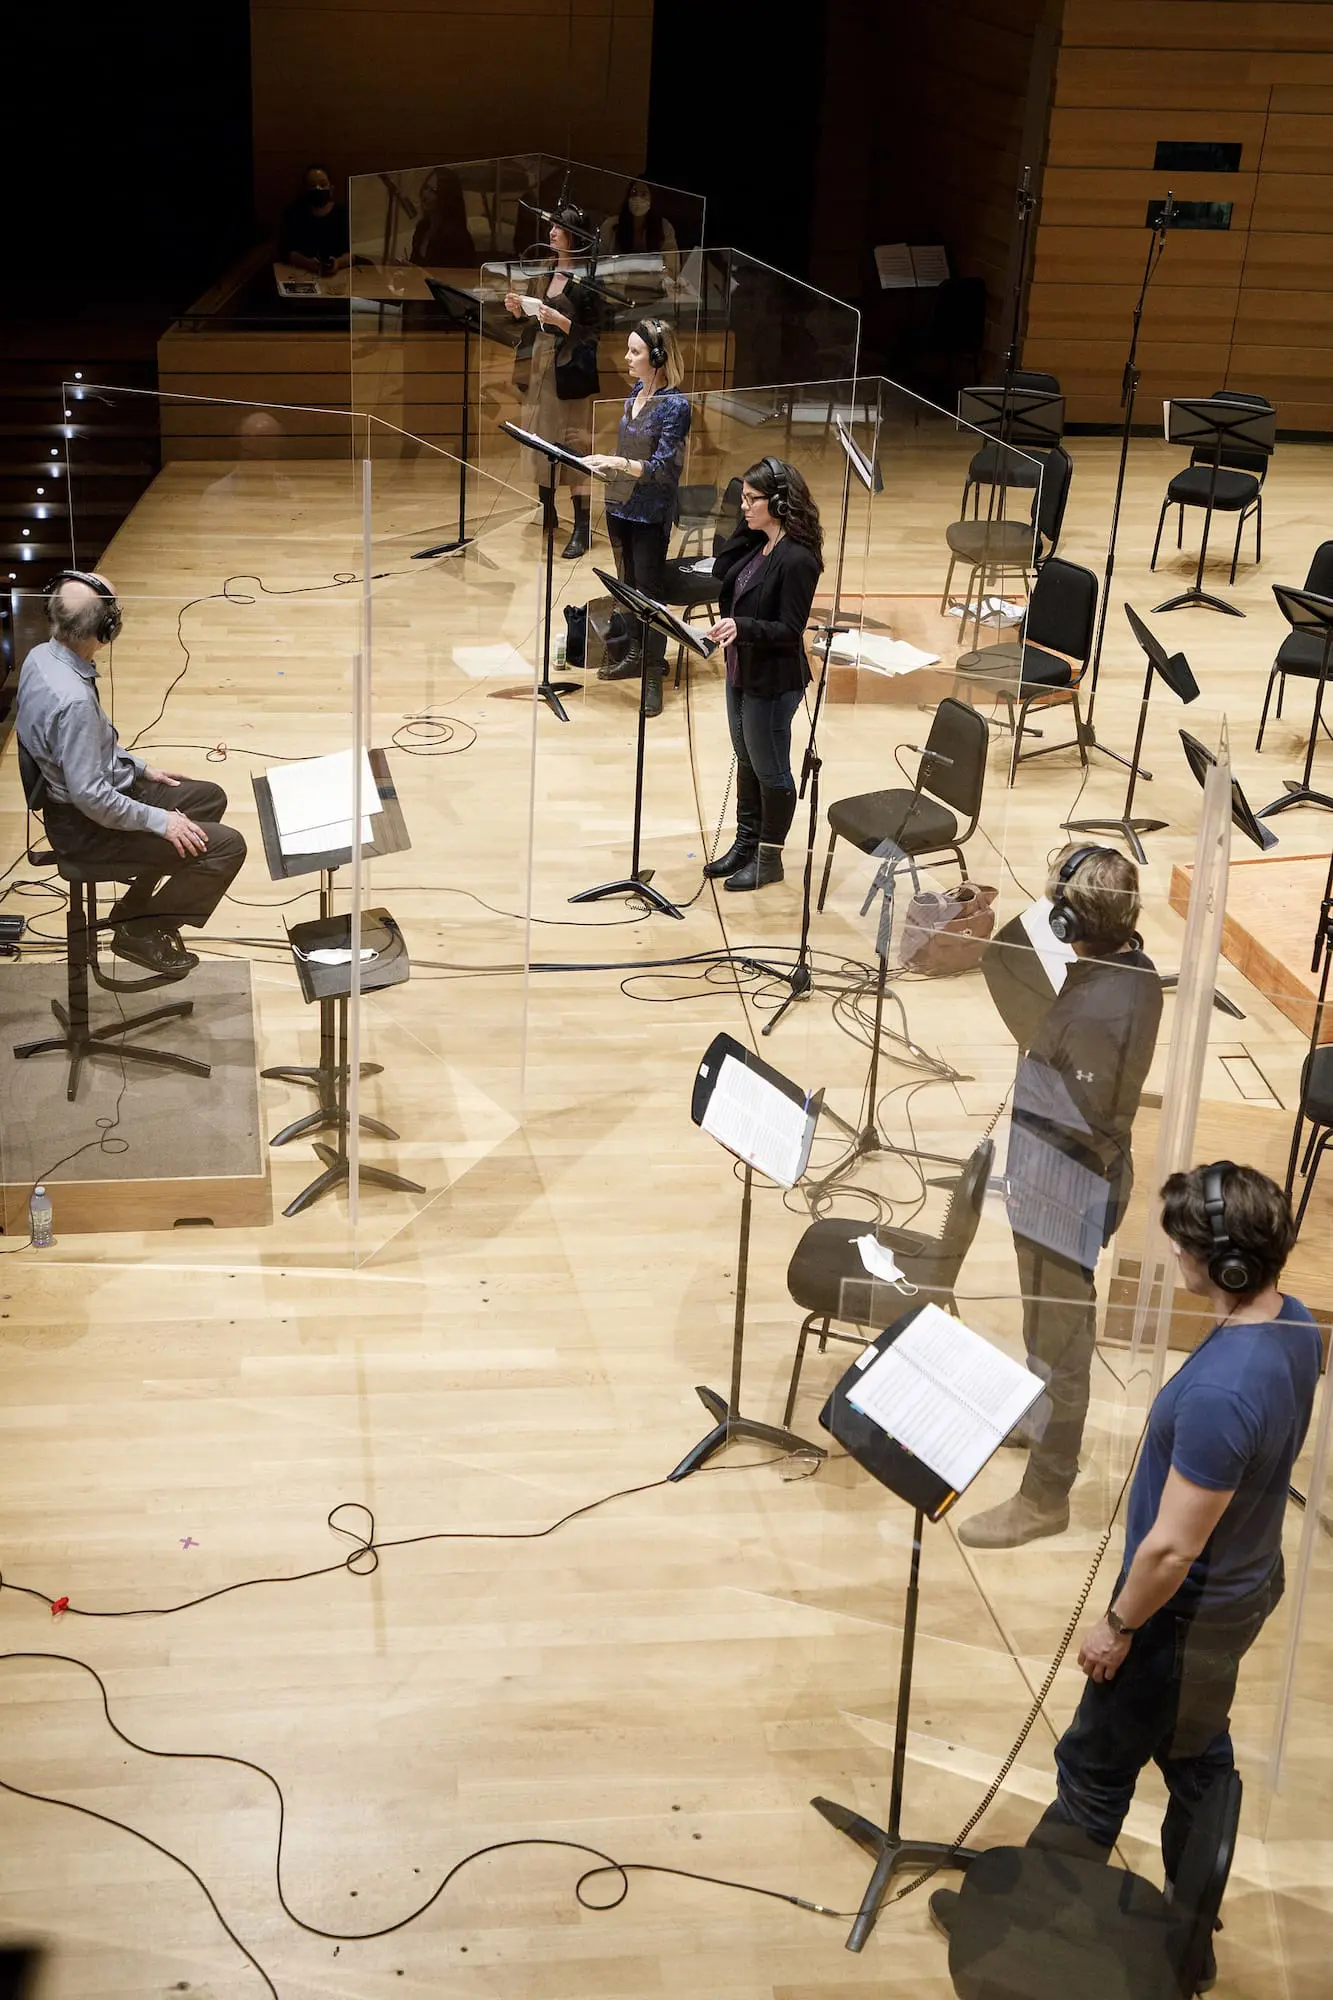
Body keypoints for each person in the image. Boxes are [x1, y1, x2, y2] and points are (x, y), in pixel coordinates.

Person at [932, 1164, 1319, 1990]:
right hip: (1243, 1592)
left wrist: (1118, 1624)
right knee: (1197, 1757)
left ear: (1225, 1263)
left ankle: (1022, 1935)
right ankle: (1189, 1939)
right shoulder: (1296, 1324)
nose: (1171, 1253)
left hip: (1177, 1616)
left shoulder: (1221, 1391)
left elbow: (1170, 1551)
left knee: (1092, 1775)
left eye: (1181, 1243)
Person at [960, 845, 1164, 1548]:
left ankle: (1046, 1496)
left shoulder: (1093, 1019)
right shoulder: (1133, 973)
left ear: (1066, 917)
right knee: (1044, 1326)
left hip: (1062, 1187)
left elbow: (1081, 1108)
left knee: (1062, 1340)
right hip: (1061, 1175)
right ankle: (1034, 1411)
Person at [16, 572, 246, 979]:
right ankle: (144, 929)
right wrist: (161, 821)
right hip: (87, 827)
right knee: (226, 847)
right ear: (105, 627)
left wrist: (140, 767)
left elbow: (77, 747)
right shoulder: (73, 701)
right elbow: (94, 798)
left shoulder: (41, 657)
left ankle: (132, 909)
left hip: (84, 800)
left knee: (208, 796)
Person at [701, 458, 822, 892]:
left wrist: (743, 627)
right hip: (742, 669)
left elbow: (791, 630)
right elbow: (721, 570)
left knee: (771, 769)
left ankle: (770, 858)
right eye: (744, 498)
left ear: (779, 501)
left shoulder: (798, 559)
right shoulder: (759, 544)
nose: (744, 507)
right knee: (747, 759)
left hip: (773, 679)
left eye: (752, 500)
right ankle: (746, 843)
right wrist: (751, 525)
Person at [584, 319, 691, 720]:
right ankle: (632, 654)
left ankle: (652, 673)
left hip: (650, 513)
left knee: (649, 594)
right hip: (620, 505)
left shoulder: (676, 406)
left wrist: (618, 462)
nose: (627, 359)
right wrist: (605, 464)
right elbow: (629, 452)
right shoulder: (634, 394)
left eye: (635, 352)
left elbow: (664, 468)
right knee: (627, 585)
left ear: (658, 358)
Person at [505, 206, 602, 560]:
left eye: (560, 228)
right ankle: (548, 512)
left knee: (573, 444)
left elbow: (594, 335)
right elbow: (535, 319)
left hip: (571, 370)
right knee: (542, 438)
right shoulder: (546, 270)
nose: (553, 232)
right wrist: (520, 309)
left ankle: (581, 527)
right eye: (553, 227)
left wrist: (563, 323)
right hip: (541, 363)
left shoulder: (590, 279)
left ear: (576, 235)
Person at [279, 164, 351, 277]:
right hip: (302, 274)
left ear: (331, 188)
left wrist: (338, 262)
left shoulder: (343, 213)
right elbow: (286, 250)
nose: (318, 189)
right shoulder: (295, 213)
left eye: (323, 184)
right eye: (312, 185)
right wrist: (306, 262)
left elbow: (353, 252)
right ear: (305, 189)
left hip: (340, 277)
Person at [598, 179, 679, 277]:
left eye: (643, 194)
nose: (637, 198)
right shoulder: (610, 225)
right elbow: (600, 263)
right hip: (617, 285)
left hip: (652, 286)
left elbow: (672, 267)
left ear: (652, 199)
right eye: (633, 193)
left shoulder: (665, 227)